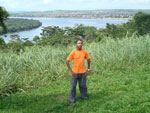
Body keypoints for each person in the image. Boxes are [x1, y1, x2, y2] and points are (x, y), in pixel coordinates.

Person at [66, 39, 91, 104]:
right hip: (75, 73)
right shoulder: (73, 52)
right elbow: (67, 61)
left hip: (83, 72)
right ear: (76, 44)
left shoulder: (84, 52)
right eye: (78, 43)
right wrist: (71, 71)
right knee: (73, 87)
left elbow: (88, 59)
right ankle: (72, 100)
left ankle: (84, 97)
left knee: (83, 86)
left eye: (81, 43)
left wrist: (88, 69)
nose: (80, 44)